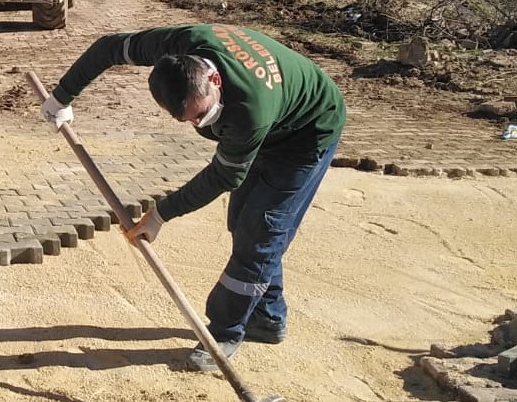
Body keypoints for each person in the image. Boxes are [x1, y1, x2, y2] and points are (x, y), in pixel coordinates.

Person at [39, 23, 346, 371]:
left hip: (306, 134)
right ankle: (268, 318)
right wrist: (61, 97)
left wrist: (159, 215)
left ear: (214, 82)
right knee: (243, 220)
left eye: (202, 115)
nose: (197, 125)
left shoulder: (249, 108)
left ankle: (226, 332)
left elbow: (224, 175)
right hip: (274, 119)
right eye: (186, 119)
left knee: (261, 228)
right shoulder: (178, 46)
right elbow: (108, 47)